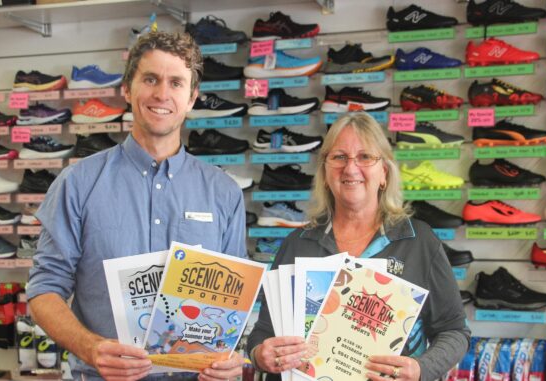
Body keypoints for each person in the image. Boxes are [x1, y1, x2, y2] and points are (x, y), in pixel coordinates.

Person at [27, 31, 246, 381]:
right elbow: (43, 290)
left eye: (176, 83)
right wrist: (90, 346)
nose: (162, 94)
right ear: (127, 89)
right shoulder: (77, 183)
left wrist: (232, 359)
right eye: (150, 79)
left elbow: (234, 304)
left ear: (191, 99)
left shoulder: (224, 193)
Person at [246, 112, 470, 381]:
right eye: (339, 157)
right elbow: (264, 331)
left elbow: (455, 330)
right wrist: (260, 354)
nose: (351, 168)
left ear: (384, 173)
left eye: (365, 157)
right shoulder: (297, 244)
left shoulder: (419, 242)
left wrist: (422, 368)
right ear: (326, 173)